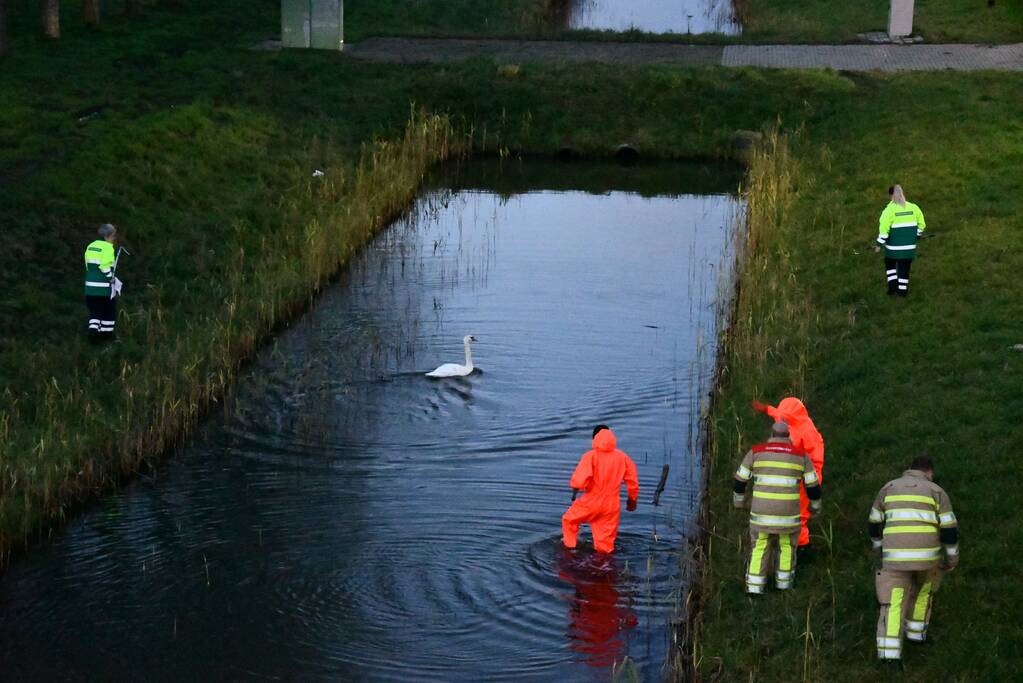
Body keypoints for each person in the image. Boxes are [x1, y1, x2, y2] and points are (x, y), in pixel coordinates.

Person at [869, 455, 958, 661]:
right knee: (923, 592)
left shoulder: (888, 488)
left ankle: (888, 653)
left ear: (909, 470)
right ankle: (916, 635)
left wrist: (877, 546)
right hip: (928, 559)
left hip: (894, 559)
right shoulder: (937, 492)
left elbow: (874, 522)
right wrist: (951, 558)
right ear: (930, 472)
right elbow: (950, 531)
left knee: (893, 601)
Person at [733, 421, 822, 594]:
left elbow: (740, 480)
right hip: (788, 518)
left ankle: (754, 588)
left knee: (760, 545)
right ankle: (784, 586)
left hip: (761, 516)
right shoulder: (800, 456)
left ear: (771, 435)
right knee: (787, 546)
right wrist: (815, 506)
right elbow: (813, 485)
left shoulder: (756, 452)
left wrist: (739, 502)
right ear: (788, 436)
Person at [752, 397, 824, 551]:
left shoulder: (807, 432)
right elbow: (776, 413)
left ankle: (803, 546)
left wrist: (810, 483)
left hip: (806, 479)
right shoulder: (784, 418)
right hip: (790, 474)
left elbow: (815, 461)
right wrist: (765, 408)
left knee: (800, 513)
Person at [562, 425, 639, 554]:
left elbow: (580, 480)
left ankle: (571, 551)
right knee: (605, 544)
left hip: (591, 501)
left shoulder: (590, 456)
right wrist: (632, 500)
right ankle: (603, 566)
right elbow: (633, 482)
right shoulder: (623, 458)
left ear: (594, 438)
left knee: (569, 520)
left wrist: (574, 492)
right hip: (611, 506)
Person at [875, 184, 926, 297]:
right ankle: (902, 291)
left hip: (893, 248)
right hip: (909, 248)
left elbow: (884, 230)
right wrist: (917, 235)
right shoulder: (914, 208)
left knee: (890, 263)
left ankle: (892, 288)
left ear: (891, 195)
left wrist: (878, 244)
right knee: (904, 267)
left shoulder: (888, 211)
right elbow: (921, 225)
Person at [83, 223, 120, 342]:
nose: (114, 238)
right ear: (107, 236)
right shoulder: (108, 248)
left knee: (95, 312)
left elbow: (88, 265)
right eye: (113, 236)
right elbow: (104, 266)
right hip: (103, 288)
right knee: (109, 311)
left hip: (90, 287)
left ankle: (93, 334)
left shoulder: (91, 246)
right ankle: (107, 336)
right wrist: (111, 278)